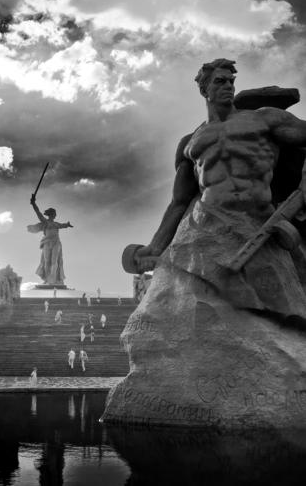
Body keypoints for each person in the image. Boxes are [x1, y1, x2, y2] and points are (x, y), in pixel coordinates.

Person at [127, 58, 306, 333]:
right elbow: (179, 202)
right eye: (220, 81)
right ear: (204, 89)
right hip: (207, 231)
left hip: (259, 224)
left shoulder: (263, 119)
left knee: (286, 307)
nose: (228, 86)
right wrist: (154, 247)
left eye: (231, 81)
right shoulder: (191, 143)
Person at [27, 195, 73, 286]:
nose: (55, 215)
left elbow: (63, 225)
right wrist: (33, 203)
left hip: (56, 243)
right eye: (54, 214)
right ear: (51, 214)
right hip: (47, 243)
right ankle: (48, 279)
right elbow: (38, 213)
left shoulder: (56, 224)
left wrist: (67, 225)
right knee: (47, 261)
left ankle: (53, 280)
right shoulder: (45, 222)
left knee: (54, 261)